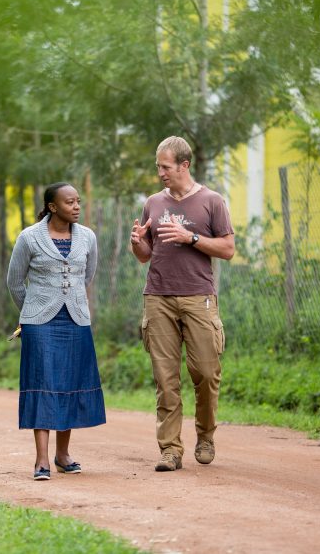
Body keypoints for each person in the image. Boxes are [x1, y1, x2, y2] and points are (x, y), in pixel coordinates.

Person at [130, 136, 235, 471]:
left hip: (198, 297)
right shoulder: (153, 203)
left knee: (206, 372)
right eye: (158, 166)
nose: (160, 172)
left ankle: (205, 436)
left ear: (184, 165)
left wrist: (190, 237)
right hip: (157, 296)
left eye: (165, 166)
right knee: (165, 378)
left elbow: (228, 249)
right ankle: (170, 450)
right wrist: (137, 244)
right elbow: (146, 255)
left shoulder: (212, 201)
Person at [6, 182, 106, 481]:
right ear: (52, 207)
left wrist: (69, 300)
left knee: (70, 383)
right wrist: (33, 312)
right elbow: (14, 282)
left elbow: (87, 275)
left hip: (76, 320)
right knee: (43, 383)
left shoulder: (87, 237)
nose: (76, 207)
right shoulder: (29, 238)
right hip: (39, 324)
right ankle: (41, 460)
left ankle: (63, 455)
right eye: (69, 202)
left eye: (78, 201)